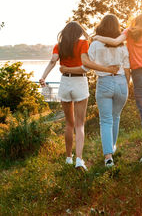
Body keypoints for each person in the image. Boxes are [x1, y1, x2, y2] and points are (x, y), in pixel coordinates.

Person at [93, 0, 142, 162]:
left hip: (140, 77)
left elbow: (114, 42)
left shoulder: (129, 32)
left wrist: (98, 37)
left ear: (136, 22)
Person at [40, 21, 118, 171]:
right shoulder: (83, 44)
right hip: (79, 83)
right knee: (80, 124)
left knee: (69, 123)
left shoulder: (59, 45)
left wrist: (43, 76)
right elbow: (86, 64)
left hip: (65, 83)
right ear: (78, 32)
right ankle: (79, 159)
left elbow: (52, 61)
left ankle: (68, 158)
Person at [61, 14, 130, 167]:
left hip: (104, 82)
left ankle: (108, 157)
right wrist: (127, 85)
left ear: (101, 26)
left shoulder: (95, 45)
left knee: (105, 120)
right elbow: (127, 68)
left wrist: (66, 69)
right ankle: (112, 147)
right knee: (116, 117)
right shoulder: (122, 45)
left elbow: (86, 66)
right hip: (121, 83)